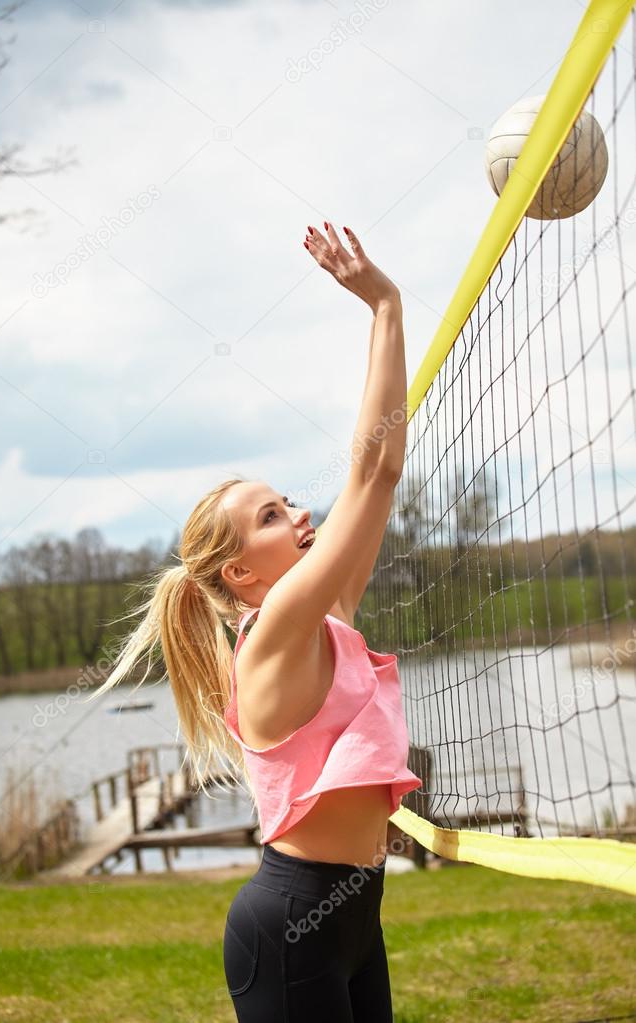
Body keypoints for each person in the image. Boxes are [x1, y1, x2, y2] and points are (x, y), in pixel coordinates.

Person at [88, 222, 422, 1021]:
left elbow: (382, 473)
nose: (301, 513)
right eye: (274, 514)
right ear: (241, 573)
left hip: (352, 916)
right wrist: (384, 305)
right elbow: (373, 470)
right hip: (289, 926)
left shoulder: (328, 617)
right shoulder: (269, 638)